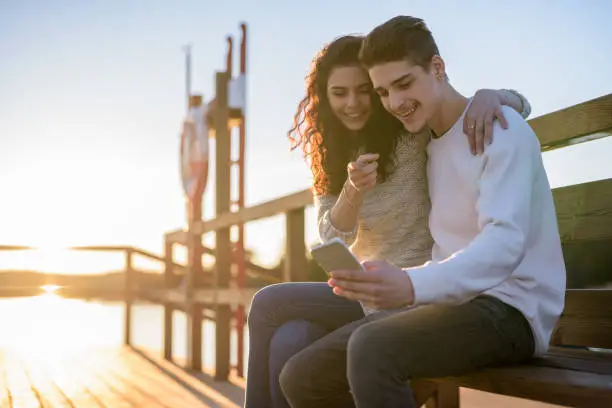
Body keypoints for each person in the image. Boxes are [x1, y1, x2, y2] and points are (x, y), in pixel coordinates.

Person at [277, 16, 566, 408]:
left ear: (437, 67)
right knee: (301, 376)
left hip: (510, 311)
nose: (394, 103)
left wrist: (411, 284)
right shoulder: (427, 142)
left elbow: (504, 243)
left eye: (404, 84)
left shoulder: (499, 127)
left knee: (372, 346)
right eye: (382, 92)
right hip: (446, 304)